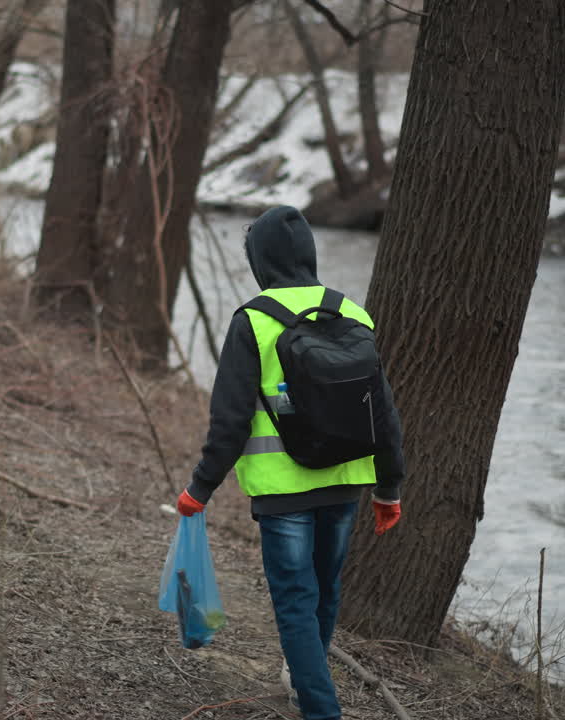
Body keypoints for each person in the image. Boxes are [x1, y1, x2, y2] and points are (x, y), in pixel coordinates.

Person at [175, 205, 405, 720]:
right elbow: (384, 414)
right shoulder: (354, 314)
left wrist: (199, 489)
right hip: (346, 482)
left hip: (283, 494)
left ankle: (321, 709)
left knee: (296, 602)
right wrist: (389, 487)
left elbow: (230, 421)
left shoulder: (253, 321)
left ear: (261, 261)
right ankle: (306, 687)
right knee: (324, 592)